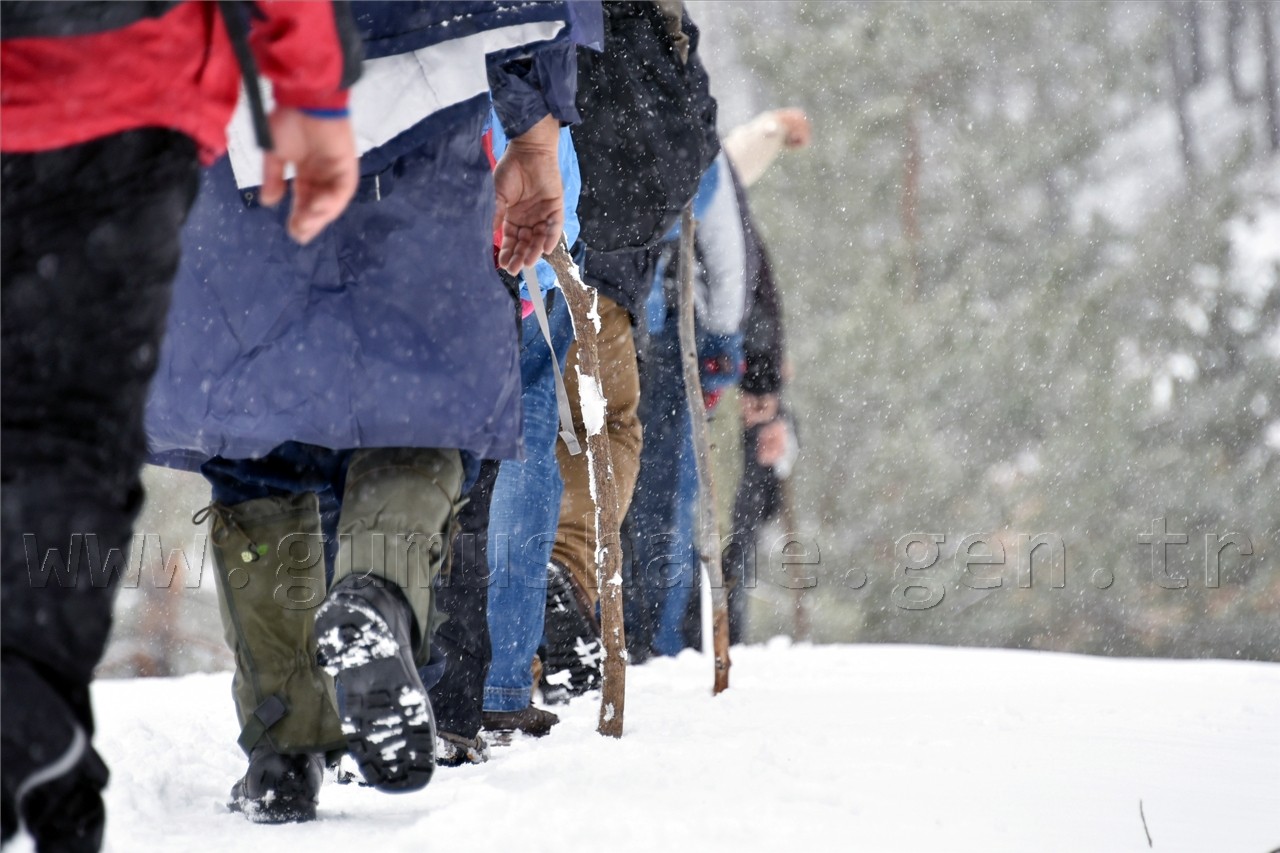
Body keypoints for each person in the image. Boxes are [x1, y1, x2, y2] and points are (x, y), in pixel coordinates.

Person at [144, 0, 580, 822]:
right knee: (420, 412)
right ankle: (375, 593)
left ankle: (282, 747)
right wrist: (534, 133)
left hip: (237, 107)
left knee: (255, 439)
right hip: (420, 106)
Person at [1, 3, 360, 848]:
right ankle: (27, 705)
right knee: (67, 434)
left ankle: (38, 730)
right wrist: (311, 90)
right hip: (122, 84)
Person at [538, 0, 720, 695]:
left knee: (516, 436)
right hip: (606, 268)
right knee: (607, 428)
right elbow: (696, 142)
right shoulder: (659, 21)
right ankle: (565, 572)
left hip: (512, 250)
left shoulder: (540, 16)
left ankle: (512, 638)